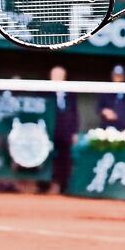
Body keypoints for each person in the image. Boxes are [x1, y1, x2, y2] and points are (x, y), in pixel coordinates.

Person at [45, 66, 80, 194]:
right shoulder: (45, 92)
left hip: (65, 131)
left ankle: (62, 185)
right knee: (48, 158)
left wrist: (74, 132)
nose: (56, 78)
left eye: (59, 75)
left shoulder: (70, 94)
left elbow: (75, 113)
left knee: (64, 159)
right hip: (49, 131)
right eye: (54, 75)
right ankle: (47, 184)